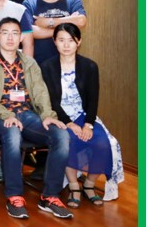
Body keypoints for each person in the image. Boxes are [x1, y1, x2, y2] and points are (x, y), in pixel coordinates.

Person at [0, 17, 72, 220]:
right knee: (12, 134)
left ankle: (50, 196)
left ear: (21, 37)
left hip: (27, 115)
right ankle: (14, 196)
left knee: (61, 135)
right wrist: (8, 115)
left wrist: (47, 116)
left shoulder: (29, 63)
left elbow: (40, 92)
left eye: (15, 33)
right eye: (5, 33)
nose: (10, 38)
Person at [40, 23, 112, 207]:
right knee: (68, 140)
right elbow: (51, 100)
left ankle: (89, 185)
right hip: (59, 116)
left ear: (78, 42)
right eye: (61, 40)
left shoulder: (90, 66)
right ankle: (74, 186)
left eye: (71, 40)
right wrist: (69, 123)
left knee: (103, 143)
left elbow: (93, 99)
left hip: (83, 115)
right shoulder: (47, 67)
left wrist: (88, 124)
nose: (66, 45)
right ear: (54, 41)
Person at [24, 0, 87, 64]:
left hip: (68, 64)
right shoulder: (30, 2)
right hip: (38, 65)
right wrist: (65, 29)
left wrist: (49, 22)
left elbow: (81, 21)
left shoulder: (72, 0)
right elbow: (29, 31)